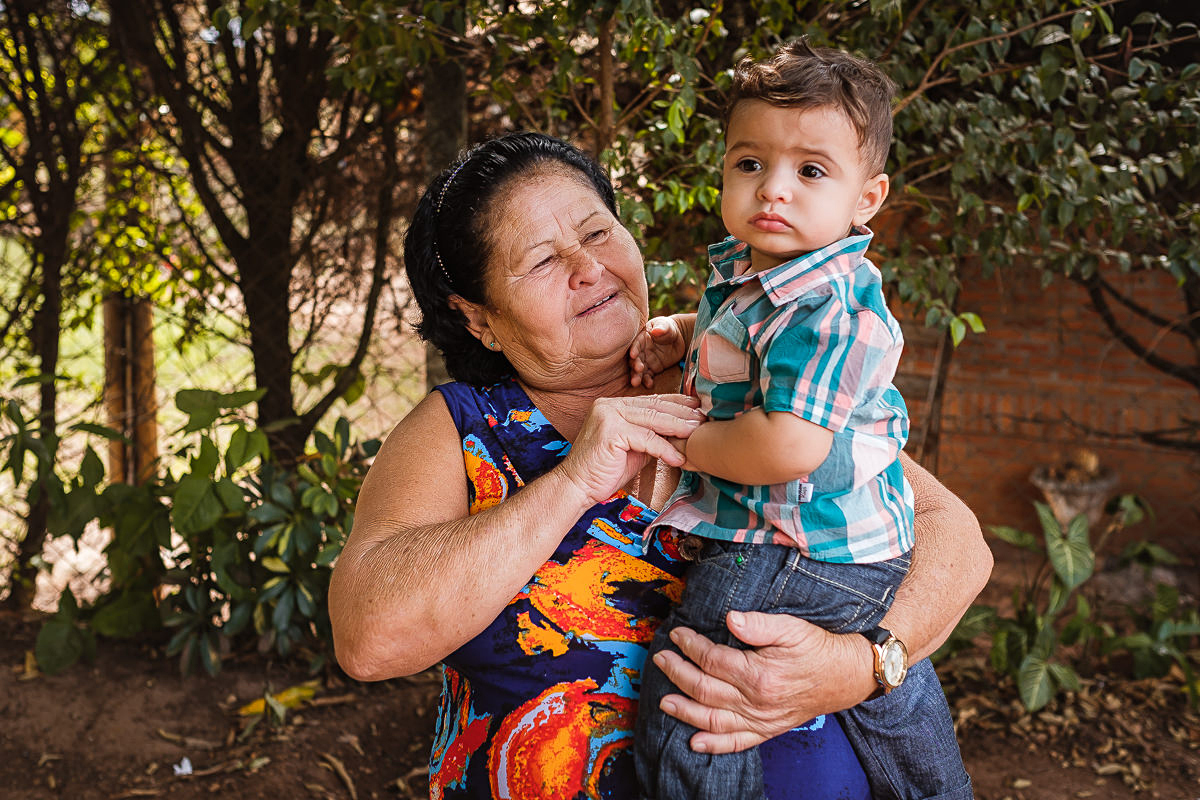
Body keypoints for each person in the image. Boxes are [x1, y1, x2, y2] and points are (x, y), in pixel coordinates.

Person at [327, 130, 993, 800]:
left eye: (596, 233)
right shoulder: (462, 430)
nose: (588, 269)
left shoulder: (736, 370)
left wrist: (865, 663)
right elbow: (370, 638)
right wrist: (572, 483)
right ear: (478, 319)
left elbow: (954, 535)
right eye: (541, 261)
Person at [629, 40, 972, 800]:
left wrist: (682, 438)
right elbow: (748, 339)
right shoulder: (761, 270)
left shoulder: (832, 307)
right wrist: (687, 332)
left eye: (810, 171)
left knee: (697, 683)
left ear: (867, 198)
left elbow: (785, 445)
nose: (772, 191)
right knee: (892, 699)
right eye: (749, 164)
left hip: (799, 546)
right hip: (843, 546)